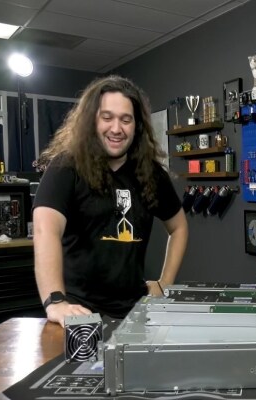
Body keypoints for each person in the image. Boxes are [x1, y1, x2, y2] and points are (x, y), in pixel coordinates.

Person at [33, 75, 188, 326]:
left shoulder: (151, 173)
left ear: (137, 125)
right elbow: (45, 230)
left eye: (126, 120)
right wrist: (55, 301)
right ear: (91, 120)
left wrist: (164, 284)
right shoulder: (65, 167)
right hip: (77, 313)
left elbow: (179, 227)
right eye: (107, 117)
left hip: (135, 313)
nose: (116, 129)